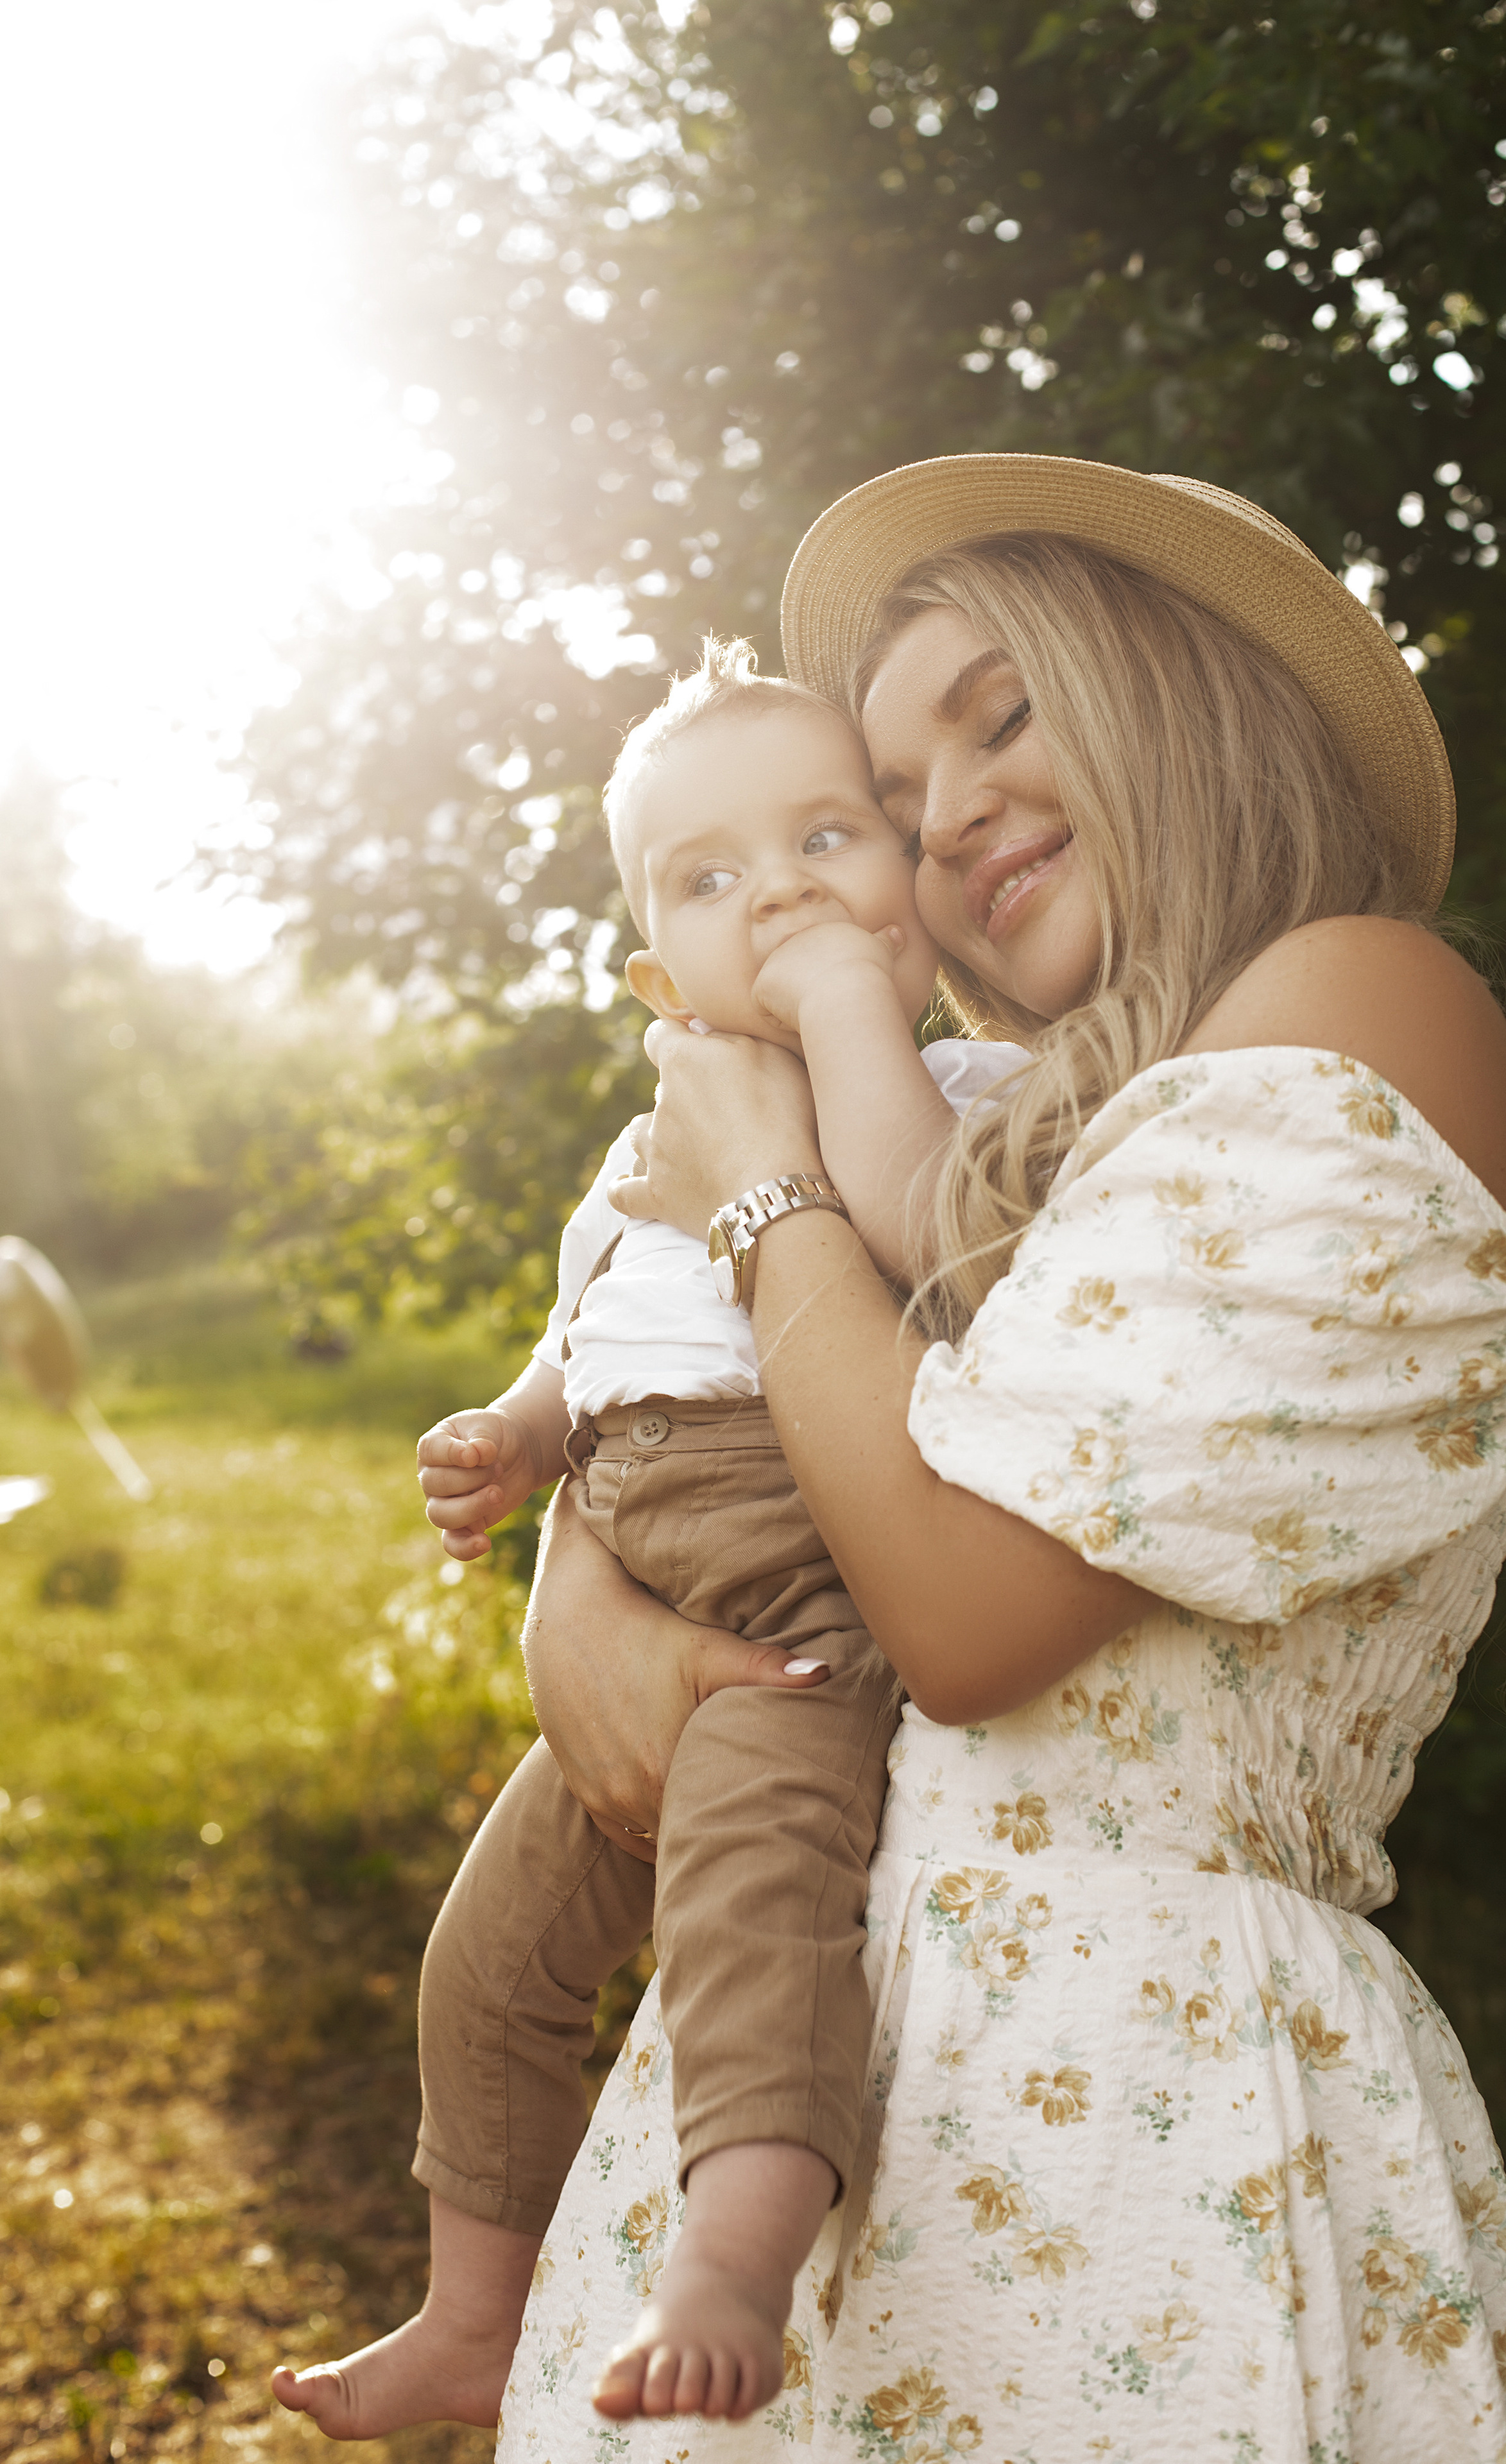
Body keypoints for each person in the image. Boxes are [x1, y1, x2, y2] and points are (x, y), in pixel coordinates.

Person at [494, 455, 1506, 2461]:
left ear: (1180, 686)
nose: (953, 814)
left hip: (1129, 2120)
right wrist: (586, 1594)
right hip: (827, 2079)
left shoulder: (1355, 993)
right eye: (900, 809)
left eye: (1005, 714)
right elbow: (744, 1466)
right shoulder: (1024, 1151)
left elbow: (973, 1612)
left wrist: (761, 1200)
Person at [272, 638, 1026, 2440]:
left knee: (757, 1915)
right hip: (637, 1534)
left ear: (912, 904)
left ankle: (733, 2265)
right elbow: (591, 1330)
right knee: (492, 1953)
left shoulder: (964, 1094)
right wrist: (520, 1437)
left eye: (825, 839)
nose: (774, 890)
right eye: (710, 877)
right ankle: (473, 2309)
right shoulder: (640, 1147)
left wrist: (854, 1016)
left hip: (805, 1580)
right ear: (650, 968)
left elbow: (946, 1250)